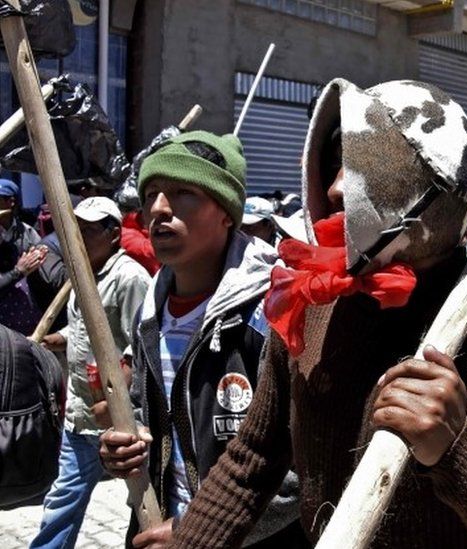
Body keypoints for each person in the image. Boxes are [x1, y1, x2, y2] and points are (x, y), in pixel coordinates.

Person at [157, 79, 467, 548]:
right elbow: (252, 459)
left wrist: (459, 450)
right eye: (332, 164)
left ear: (433, 194)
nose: (335, 189)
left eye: (364, 165)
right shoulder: (313, 302)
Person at [97, 131, 304, 548]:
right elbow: (145, 409)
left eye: (182, 192)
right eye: (151, 192)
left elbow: (300, 468)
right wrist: (126, 439)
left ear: (227, 212)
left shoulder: (271, 314)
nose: (157, 208)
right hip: (158, 529)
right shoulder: (150, 315)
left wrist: (200, 532)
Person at [30, 197, 151, 549]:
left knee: (141, 501)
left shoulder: (130, 278)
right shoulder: (81, 274)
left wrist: (117, 397)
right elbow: (84, 327)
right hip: (80, 414)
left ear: (114, 234)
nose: (78, 237)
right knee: (62, 501)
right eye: (75, 230)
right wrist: (59, 339)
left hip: (117, 420)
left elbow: (141, 342)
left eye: (88, 230)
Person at [0, 178, 63, 335]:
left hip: (27, 313)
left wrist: (37, 259)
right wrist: (19, 270)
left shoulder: (27, 233)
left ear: (11, 202)